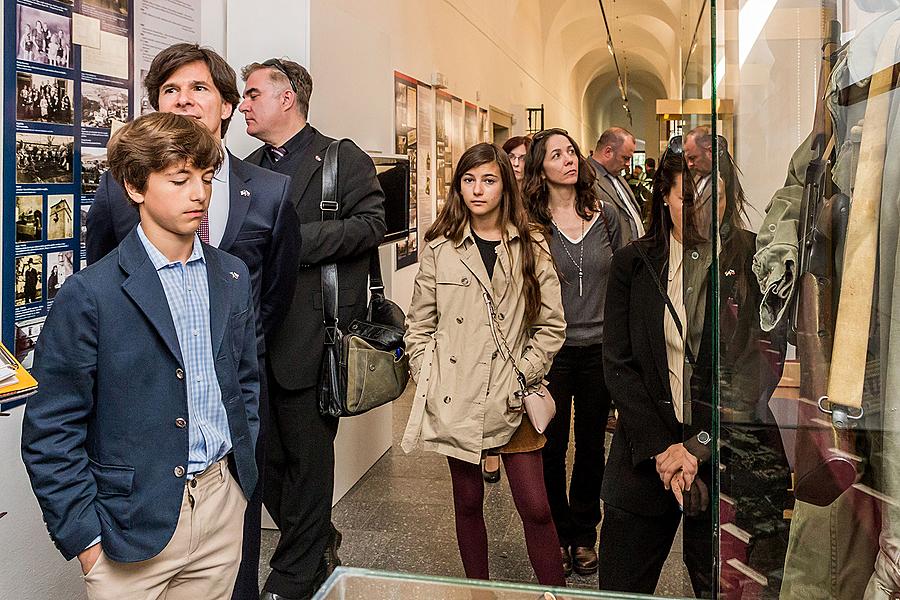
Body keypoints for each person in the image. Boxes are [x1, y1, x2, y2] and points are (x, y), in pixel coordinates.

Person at [84, 43, 299, 600]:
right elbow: (104, 279)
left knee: (231, 571)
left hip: (226, 415)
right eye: (170, 91)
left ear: (226, 105)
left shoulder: (271, 191)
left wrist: (234, 361)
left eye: (199, 88)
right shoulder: (117, 186)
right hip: (143, 422)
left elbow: (272, 292)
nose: (184, 100)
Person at [21, 112, 260, 600]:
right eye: (179, 179)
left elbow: (244, 381)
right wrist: (86, 540)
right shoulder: (91, 294)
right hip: (128, 524)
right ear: (134, 186)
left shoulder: (232, 276)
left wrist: (237, 484)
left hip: (219, 506)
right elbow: (51, 429)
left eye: (206, 178)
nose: (199, 194)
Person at [597, 149, 789, 596]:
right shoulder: (633, 263)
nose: (702, 212)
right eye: (688, 199)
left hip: (727, 448)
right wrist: (664, 450)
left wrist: (697, 446)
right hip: (648, 453)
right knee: (621, 584)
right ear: (663, 196)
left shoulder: (753, 259)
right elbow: (619, 364)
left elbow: (759, 366)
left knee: (723, 587)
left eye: (715, 200)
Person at [239, 58, 386, 600]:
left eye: (253, 94)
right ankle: (318, 540)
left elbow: (372, 225)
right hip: (256, 339)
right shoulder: (247, 168)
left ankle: (293, 577)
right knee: (266, 464)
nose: (244, 105)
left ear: (288, 98)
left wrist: (291, 242)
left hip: (314, 339)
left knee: (307, 460)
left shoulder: (340, 158)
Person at [401, 142, 567, 586]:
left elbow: (550, 326)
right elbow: (419, 325)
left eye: (489, 180)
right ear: (458, 186)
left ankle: (556, 594)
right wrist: (429, 375)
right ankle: (480, 592)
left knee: (536, 506)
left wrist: (521, 374)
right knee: (468, 500)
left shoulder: (530, 244)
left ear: (504, 185)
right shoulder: (442, 247)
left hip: (511, 392)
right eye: (469, 180)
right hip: (458, 393)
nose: (478, 190)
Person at [522, 128, 621, 577]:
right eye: (556, 154)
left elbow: (625, 281)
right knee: (551, 444)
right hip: (552, 351)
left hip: (600, 348)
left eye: (571, 152)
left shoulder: (606, 216)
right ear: (540, 168)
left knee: (591, 448)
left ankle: (585, 534)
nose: (569, 160)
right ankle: (558, 532)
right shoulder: (529, 223)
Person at [590, 127, 643, 246]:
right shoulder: (587, 179)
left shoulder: (618, 175)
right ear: (608, 152)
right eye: (625, 158)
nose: (628, 164)